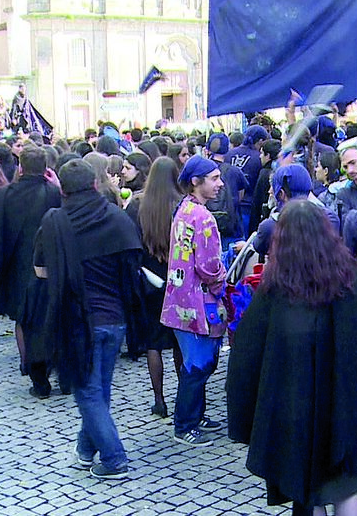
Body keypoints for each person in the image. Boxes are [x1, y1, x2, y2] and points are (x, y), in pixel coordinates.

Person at [227, 200, 357, 516]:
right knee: (344, 483)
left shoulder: (273, 293)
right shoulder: (354, 283)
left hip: (292, 414)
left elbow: (246, 359)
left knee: (306, 491)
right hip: (341, 409)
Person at [33, 160, 142, 480]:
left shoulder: (55, 222)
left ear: (62, 190)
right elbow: (132, 266)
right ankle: (85, 450)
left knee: (88, 391)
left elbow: (40, 272)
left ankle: (113, 458)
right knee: (99, 388)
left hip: (80, 321)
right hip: (116, 318)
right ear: (95, 185)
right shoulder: (117, 217)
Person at [160, 155, 228, 447]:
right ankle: (184, 423)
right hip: (200, 302)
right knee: (198, 365)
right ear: (196, 182)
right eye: (214, 178)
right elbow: (209, 266)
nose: (220, 184)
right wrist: (222, 280)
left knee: (195, 362)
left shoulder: (184, 209)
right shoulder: (203, 217)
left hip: (180, 299)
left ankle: (195, 416)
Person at [0, 146, 61, 395]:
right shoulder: (54, 194)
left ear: (20, 167)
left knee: (23, 321)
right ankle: (52, 364)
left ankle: (29, 364)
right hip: (51, 265)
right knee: (53, 317)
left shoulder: (1, 197)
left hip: (17, 268)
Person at [131, 157, 184, 418]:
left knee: (154, 341)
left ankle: (159, 399)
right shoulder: (182, 206)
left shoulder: (138, 207)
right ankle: (183, 396)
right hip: (178, 279)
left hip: (151, 281)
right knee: (178, 341)